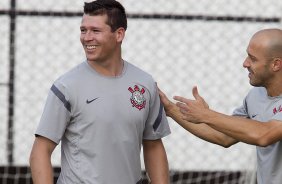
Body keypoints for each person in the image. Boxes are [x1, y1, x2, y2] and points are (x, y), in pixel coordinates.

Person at [29, 1, 171, 184]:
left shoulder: (145, 84)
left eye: (95, 31)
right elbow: (40, 151)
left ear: (119, 34)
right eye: (83, 30)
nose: (87, 37)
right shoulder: (66, 86)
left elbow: (153, 145)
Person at [159, 28, 282, 184]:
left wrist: (205, 114)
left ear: (276, 64)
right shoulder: (255, 96)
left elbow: (264, 135)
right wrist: (170, 108)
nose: (245, 63)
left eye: (253, 58)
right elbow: (223, 136)